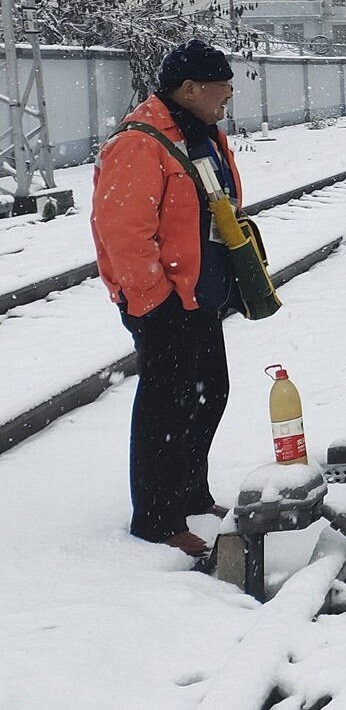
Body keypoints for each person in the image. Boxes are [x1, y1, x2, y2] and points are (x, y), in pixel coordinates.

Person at [90, 39, 243, 559]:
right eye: (223, 86)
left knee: (210, 393)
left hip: (200, 295)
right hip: (163, 303)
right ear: (190, 88)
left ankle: (190, 492)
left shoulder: (200, 133)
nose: (229, 95)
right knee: (166, 409)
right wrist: (155, 300)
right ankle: (157, 520)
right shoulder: (140, 142)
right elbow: (124, 233)